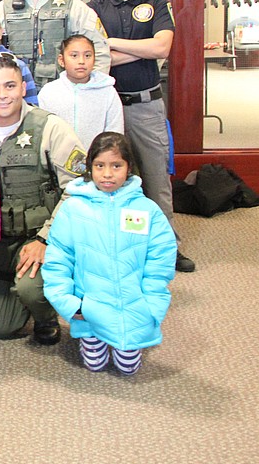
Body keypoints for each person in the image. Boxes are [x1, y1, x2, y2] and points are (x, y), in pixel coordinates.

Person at [0, 54, 88, 345]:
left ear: (22, 88)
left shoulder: (51, 128)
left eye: (10, 86)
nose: (2, 95)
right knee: (1, 328)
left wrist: (46, 239)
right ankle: (18, 294)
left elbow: (79, 188)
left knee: (32, 290)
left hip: (39, 238)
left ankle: (45, 316)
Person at [89, 0, 194, 273]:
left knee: (155, 178)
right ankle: (121, 247)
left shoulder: (157, 4)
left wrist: (114, 44)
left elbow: (163, 48)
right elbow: (96, 61)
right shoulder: (94, 8)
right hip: (108, 106)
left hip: (146, 106)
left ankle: (167, 247)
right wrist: (142, 47)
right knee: (112, 177)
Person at [43, 132, 177, 375]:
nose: (107, 174)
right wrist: (70, 304)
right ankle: (96, 337)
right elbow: (58, 257)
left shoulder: (146, 210)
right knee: (95, 365)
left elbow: (161, 258)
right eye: (99, 166)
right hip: (89, 310)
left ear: (128, 167)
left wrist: (152, 305)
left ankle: (124, 337)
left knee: (128, 368)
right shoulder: (73, 209)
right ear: (90, 167)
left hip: (133, 307)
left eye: (116, 166)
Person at [37, 35, 124, 150]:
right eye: (74, 56)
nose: (81, 61)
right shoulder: (48, 92)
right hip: (56, 162)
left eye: (87, 56)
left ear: (94, 59)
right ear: (61, 60)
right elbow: (41, 132)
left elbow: (115, 133)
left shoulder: (108, 92)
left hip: (97, 162)